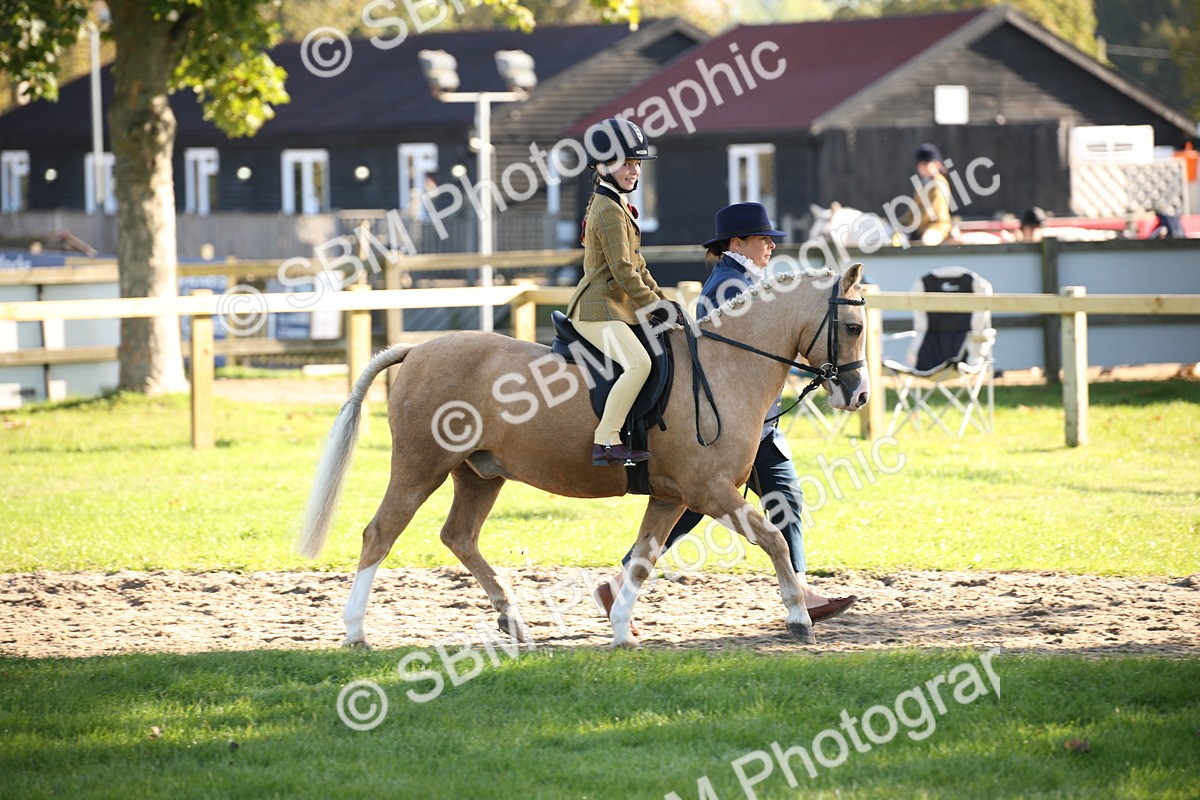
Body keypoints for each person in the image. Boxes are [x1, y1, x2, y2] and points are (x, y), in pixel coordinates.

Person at [594, 202, 859, 628]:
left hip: (751, 418)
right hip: (733, 422)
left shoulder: (748, 280)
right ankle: (800, 592)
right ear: (737, 243)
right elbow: (738, 357)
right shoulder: (727, 288)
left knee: (711, 501)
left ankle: (623, 582)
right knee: (711, 500)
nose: (771, 245)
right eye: (763, 238)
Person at [566, 118, 667, 467]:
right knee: (638, 363)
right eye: (626, 162)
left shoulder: (617, 203)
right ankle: (605, 441)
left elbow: (639, 266)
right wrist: (655, 307)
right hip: (596, 309)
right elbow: (624, 272)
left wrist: (663, 302)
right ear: (601, 165)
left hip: (616, 307)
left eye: (637, 163)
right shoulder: (608, 209)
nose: (634, 170)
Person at [896, 143, 953, 246]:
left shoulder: (938, 183)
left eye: (926, 164)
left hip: (937, 226)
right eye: (920, 164)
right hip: (922, 226)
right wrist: (900, 223)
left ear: (937, 164)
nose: (923, 167)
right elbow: (914, 209)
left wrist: (912, 225)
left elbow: (930, 211)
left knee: (928, 241)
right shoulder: (922, 184)